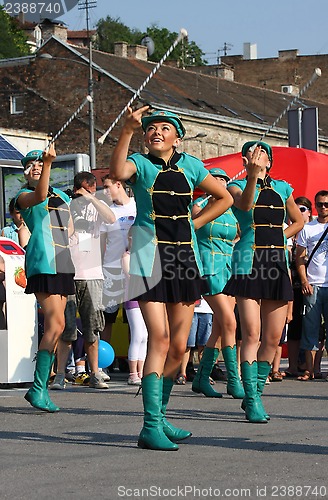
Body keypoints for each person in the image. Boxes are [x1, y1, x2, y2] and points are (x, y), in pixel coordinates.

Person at [109, 106, 232, 451]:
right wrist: (127, 130)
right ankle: (149, 426)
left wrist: (196, 223)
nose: (156, 132)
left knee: (179, 347)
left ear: (177, 136)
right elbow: (118, 170)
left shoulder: (192, 165)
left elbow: (224, 197)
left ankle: (160, 418)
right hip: (149, 258)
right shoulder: (140, 163)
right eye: (151, 128)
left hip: (184, 259)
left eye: (164, 128)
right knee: (159, 338)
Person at [223, 140, 304, 423]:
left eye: (260, 155)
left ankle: (254, 392)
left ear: (269, 160)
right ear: (244, 162)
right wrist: (253, 177)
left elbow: (298, 221)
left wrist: (282, 236)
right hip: (248, 260)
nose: (255, 158)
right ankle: (253, 398)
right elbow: (244, 206)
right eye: (250, 156)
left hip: (276, 262)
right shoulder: (236, 187)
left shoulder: (283, 188)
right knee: (252, 334)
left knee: (272, 338)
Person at [15, 146, 75, 412]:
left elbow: (69, 225)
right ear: (25, 172)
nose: (38, 166)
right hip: (43, 261)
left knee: (59, 326)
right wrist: (49, 165)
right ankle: (38, 387)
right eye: (32, 165)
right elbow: (40, 196)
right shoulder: (22, 196)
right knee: (54, 323)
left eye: (41, 163)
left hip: (63, 261)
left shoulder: (62, 195)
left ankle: (39, 386)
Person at [51, 172, 115, 390]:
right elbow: (64, 231)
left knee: (92, 327)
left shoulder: (96, 205)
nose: (92, 192)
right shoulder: (66, 205)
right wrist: (72, 202)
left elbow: (111, 218)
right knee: (67, 327)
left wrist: (90, 199)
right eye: (89, 189)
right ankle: (60, 374)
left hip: (93, 275)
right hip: (69, 273)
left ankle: (95, 372)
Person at [191, 168, 244, 399]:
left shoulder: (232, 210)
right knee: (229, 322)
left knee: (222, 327)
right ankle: (234, 380)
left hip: (228, 267)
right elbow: (193, 228)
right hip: (208, 264)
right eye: (216, 180)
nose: (221, 183)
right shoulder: (199, 205)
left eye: (224, 180)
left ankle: (201, 378)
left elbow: (242, 233)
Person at [100, 174, 136, 348]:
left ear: (119, 184)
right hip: (111, 270)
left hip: (133, 269)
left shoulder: (137, 207)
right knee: (107, 319)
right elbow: (100, 243)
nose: (105, 191)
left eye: (107, 187)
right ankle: (104, 364)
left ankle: (135, 364)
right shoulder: (107, 211)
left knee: (134, 318)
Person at [295, 190, 328, 381]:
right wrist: (304, 281)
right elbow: (299, 258)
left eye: (326, 204)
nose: (323, 207)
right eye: (320, 204)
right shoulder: (308, 228)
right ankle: (309, 369)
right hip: (313, 284)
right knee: (310, 329)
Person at [284, 196, 313, 377]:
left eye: (302, 209)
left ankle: (310, 365)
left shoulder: (315, 230)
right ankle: (293, 365)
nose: (298, 213)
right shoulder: (287, 232)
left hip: (313, 283)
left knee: (312, 324)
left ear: (309, 212)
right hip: (292, 283)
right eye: (295, 209)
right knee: (293, 323)